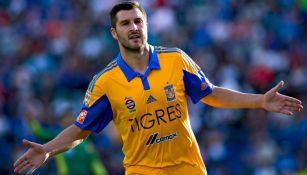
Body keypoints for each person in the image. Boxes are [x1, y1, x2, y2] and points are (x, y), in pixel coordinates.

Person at [13, 1, 303, 175]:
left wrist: (259, 102)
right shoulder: (106, 82)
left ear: (147, 25)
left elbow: (211, 93)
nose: (134, 27)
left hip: (188, 169)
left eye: (138, 21)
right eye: (125, 23)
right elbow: (80, 129)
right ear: (115, 33)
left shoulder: (175, 59)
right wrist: (48, 150)